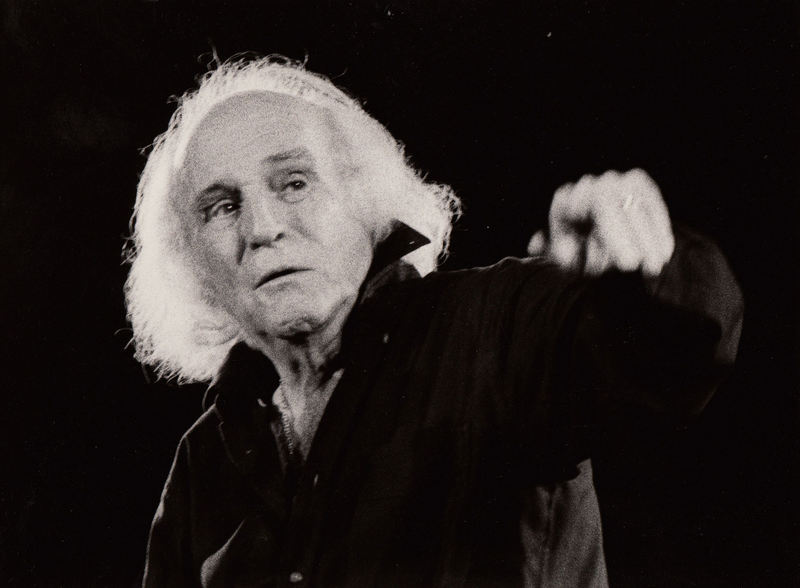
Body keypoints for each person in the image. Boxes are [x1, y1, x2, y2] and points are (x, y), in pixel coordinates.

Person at [127, 56, 743, 587]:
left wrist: (647, 269)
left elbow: (666, 359)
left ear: (367, 199)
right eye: (221, 207)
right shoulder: (201, 462)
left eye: (293, 183)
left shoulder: (488, 326)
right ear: (192, 265)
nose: (261, 228)